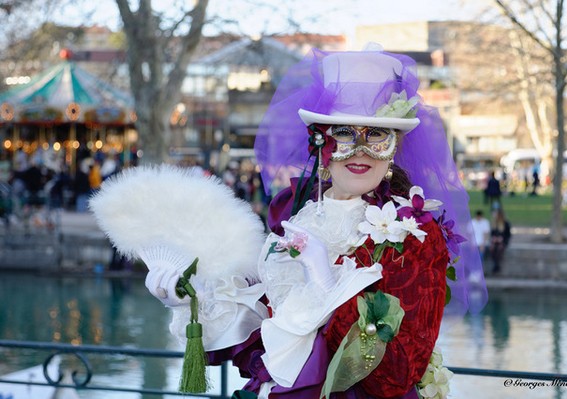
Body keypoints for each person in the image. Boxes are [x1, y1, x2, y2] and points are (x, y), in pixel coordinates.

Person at [92, 45, 487, 399]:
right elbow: (261, 340)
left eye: (377, 136)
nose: (360, 150)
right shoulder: (299, 218)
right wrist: (186, 300)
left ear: (394, 149)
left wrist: (328, 286)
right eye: (344, 134)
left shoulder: (414, 234)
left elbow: (398, 374)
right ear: (321, 144)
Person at [489, 209, 511, 274]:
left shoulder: (506, 223)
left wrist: (502, 239)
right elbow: (492, 233)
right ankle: (496, 265)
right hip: (495, 241)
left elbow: (508, 234)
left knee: (499, 249)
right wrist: (494, 238)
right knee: (492, 249)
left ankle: (496, 266)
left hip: (503, 241)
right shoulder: (494, 223)